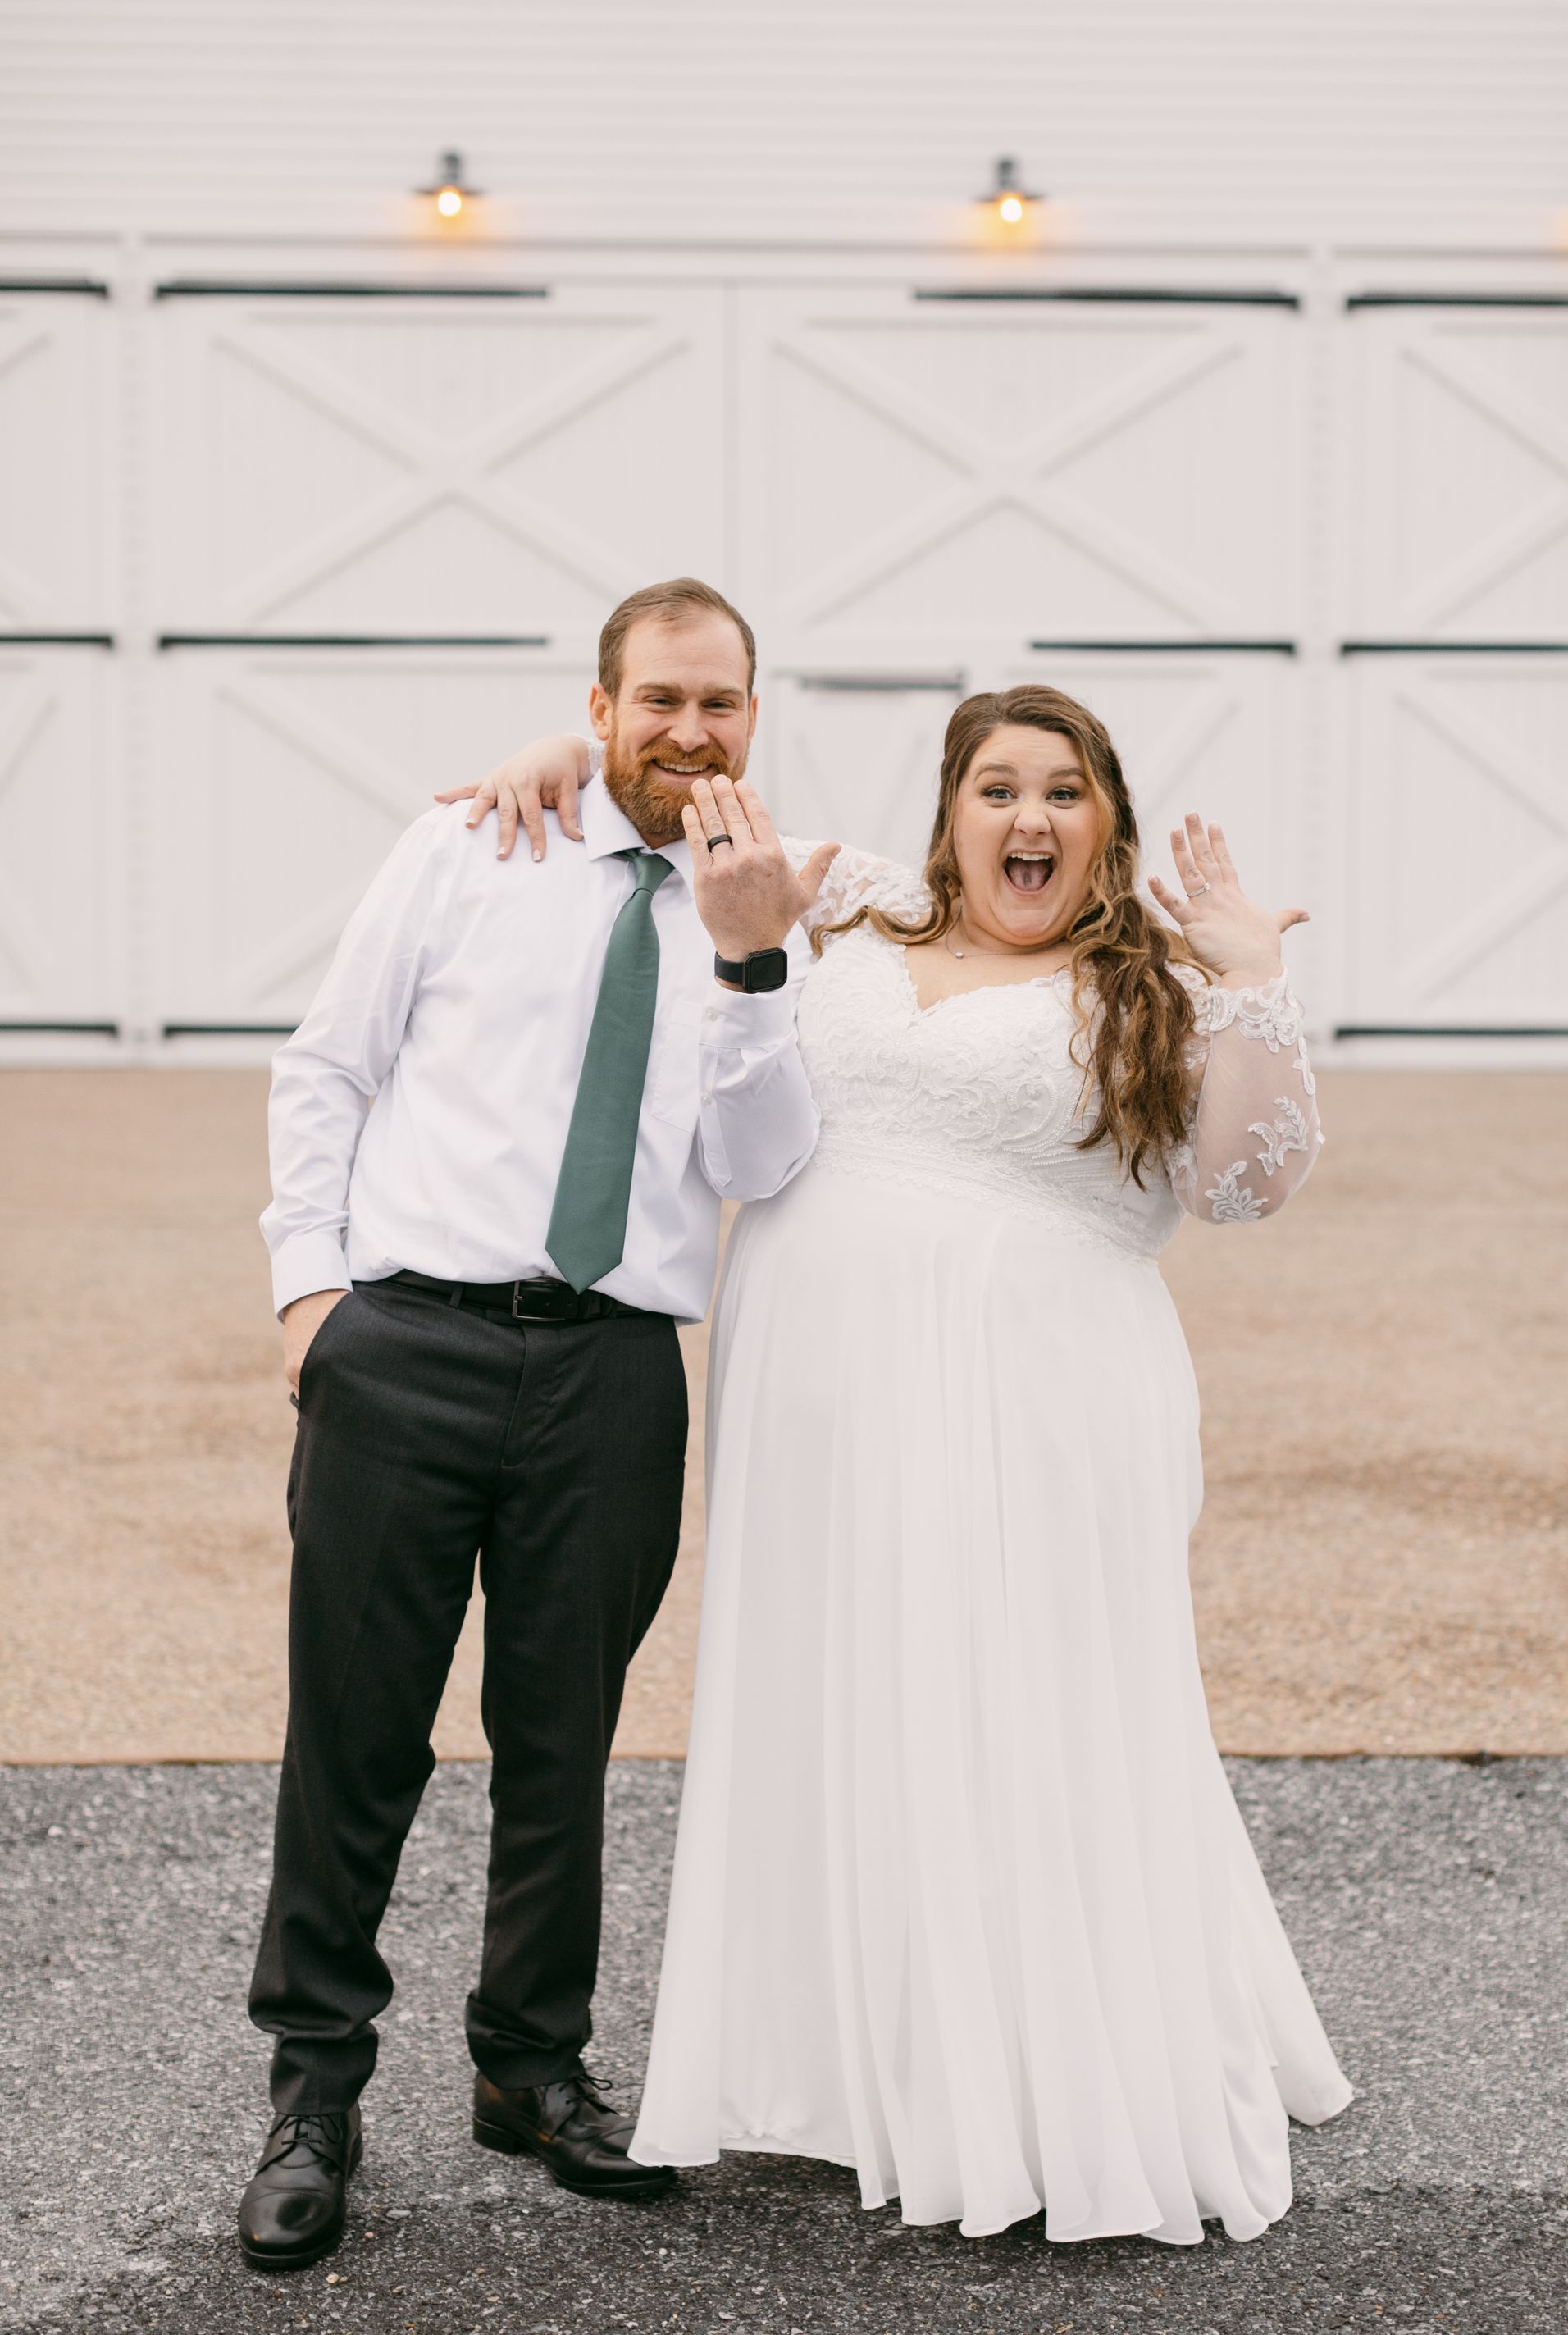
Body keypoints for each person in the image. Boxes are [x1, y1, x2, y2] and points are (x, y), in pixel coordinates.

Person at [446, 683, 1352, 2246]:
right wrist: (561, 756)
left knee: (1020, 1699)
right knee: (853, 1693)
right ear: (949, 814)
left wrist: (1255, 986)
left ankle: (1031, 2073)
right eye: (996, 790)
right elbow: (676, 830)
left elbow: (1247, 1187)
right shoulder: (848, 902)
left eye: (1063, 795)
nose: (1029, 821)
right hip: (821, 1405)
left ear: (1107, 823)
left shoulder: (1148, 985)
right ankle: (866, 2066)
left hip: (1039, 1401)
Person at [239, 578, 839, 2273]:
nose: (691, 731)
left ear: (751, 718)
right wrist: (311, 1302)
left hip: (613, 1371)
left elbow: (767, 1164)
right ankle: (313, 2088)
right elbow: (325, 1066)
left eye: (721, 703)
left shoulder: (775, 903)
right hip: (407, 1343)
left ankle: (530, 2068)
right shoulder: (469, 846)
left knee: (562, 1743)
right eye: (659, 699)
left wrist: (749, 957)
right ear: (601, 705)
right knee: (355, 1734)